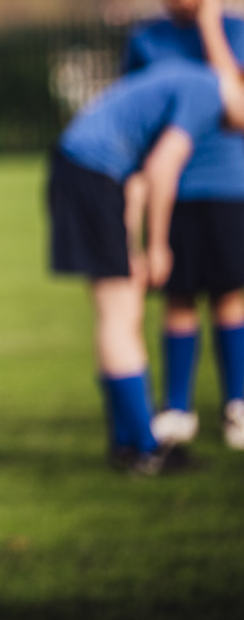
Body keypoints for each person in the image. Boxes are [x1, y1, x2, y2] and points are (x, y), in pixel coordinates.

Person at [49, 44, 244, 474]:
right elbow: (161, 167)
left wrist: (134, 248)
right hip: (89, 175)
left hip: (87, 172)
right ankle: (143, 450)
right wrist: (158, 244)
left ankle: (130, 443)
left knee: (123, 308)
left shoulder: (188, 82)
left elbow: (135, 176)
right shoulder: (208, 91)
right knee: (119, 313)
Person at [120, 0, 244, 451]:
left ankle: (237, 405)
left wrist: (213, 28)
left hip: (229, 185)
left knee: (231, 298)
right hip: (171, 189)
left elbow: (237, 111)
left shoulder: (234, 30)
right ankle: (177, 409)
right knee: (177, 296)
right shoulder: (146, 40)